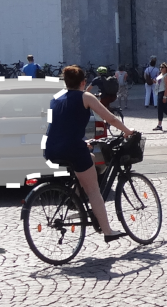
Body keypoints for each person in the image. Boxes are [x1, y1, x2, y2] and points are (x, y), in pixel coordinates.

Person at [44, 65, 137, 242]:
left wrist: (82, 142)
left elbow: (63, 126)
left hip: (52, 148)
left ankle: (75, 197)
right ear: (83, 82)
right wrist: (127, 130)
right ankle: (108, 231)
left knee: (92, 159)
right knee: (94, 190)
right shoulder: (86, 96)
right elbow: (110, 117)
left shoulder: (57, 98)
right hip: (72, 148)